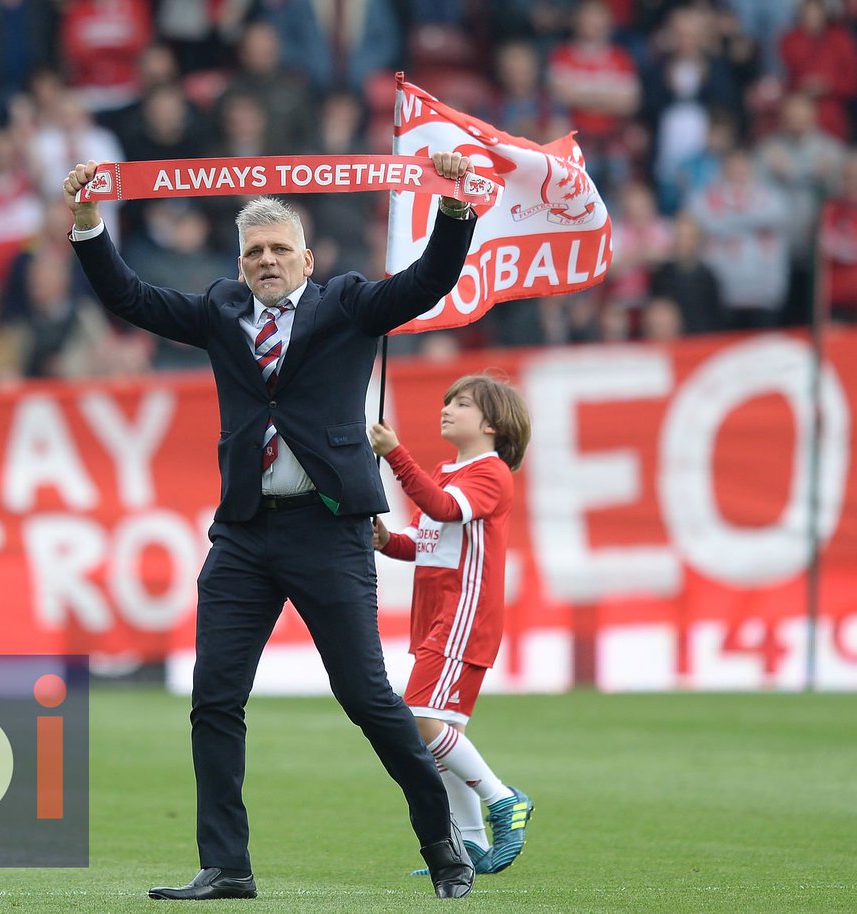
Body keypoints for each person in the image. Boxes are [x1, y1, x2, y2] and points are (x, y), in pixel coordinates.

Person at [64, 150, 479, 900]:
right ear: (240, 263)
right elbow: (130, 298)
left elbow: (427, 282)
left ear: (307, 260)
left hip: (329, 530)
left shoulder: (348, 304)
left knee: (366, 697)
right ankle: (227, 865)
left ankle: (441, 838)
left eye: (280, 249)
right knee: (215, 699)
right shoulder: (220, 311)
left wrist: (452, 209)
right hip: (246, 534)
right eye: (254, 251)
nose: (266, 260)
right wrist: (90, 222)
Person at [369, 373, 533, 877]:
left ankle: (503, 799)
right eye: (448, 402)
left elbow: (441, 508)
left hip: (464, 615)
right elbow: (426, 544)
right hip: (438, 615)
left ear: (492, 424)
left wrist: (396, 455)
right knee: (442, 733)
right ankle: (473, 843)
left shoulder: (490, 473)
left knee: (419, 717)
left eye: (462, 404)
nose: (447, 410)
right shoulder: (447, 471)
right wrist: (387, 541)